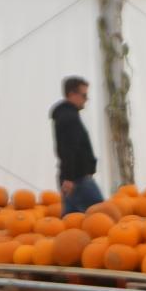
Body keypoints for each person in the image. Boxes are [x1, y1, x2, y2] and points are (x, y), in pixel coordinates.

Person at [52, 77, 101, 211]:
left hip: (76, 177)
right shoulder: (68, 117)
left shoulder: (68, 115)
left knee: (74, 221)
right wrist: (69, 178)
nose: (87, 99)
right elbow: (68, 148)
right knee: (102, 215)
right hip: (78, 179)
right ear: (72, 94)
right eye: (84, 95)